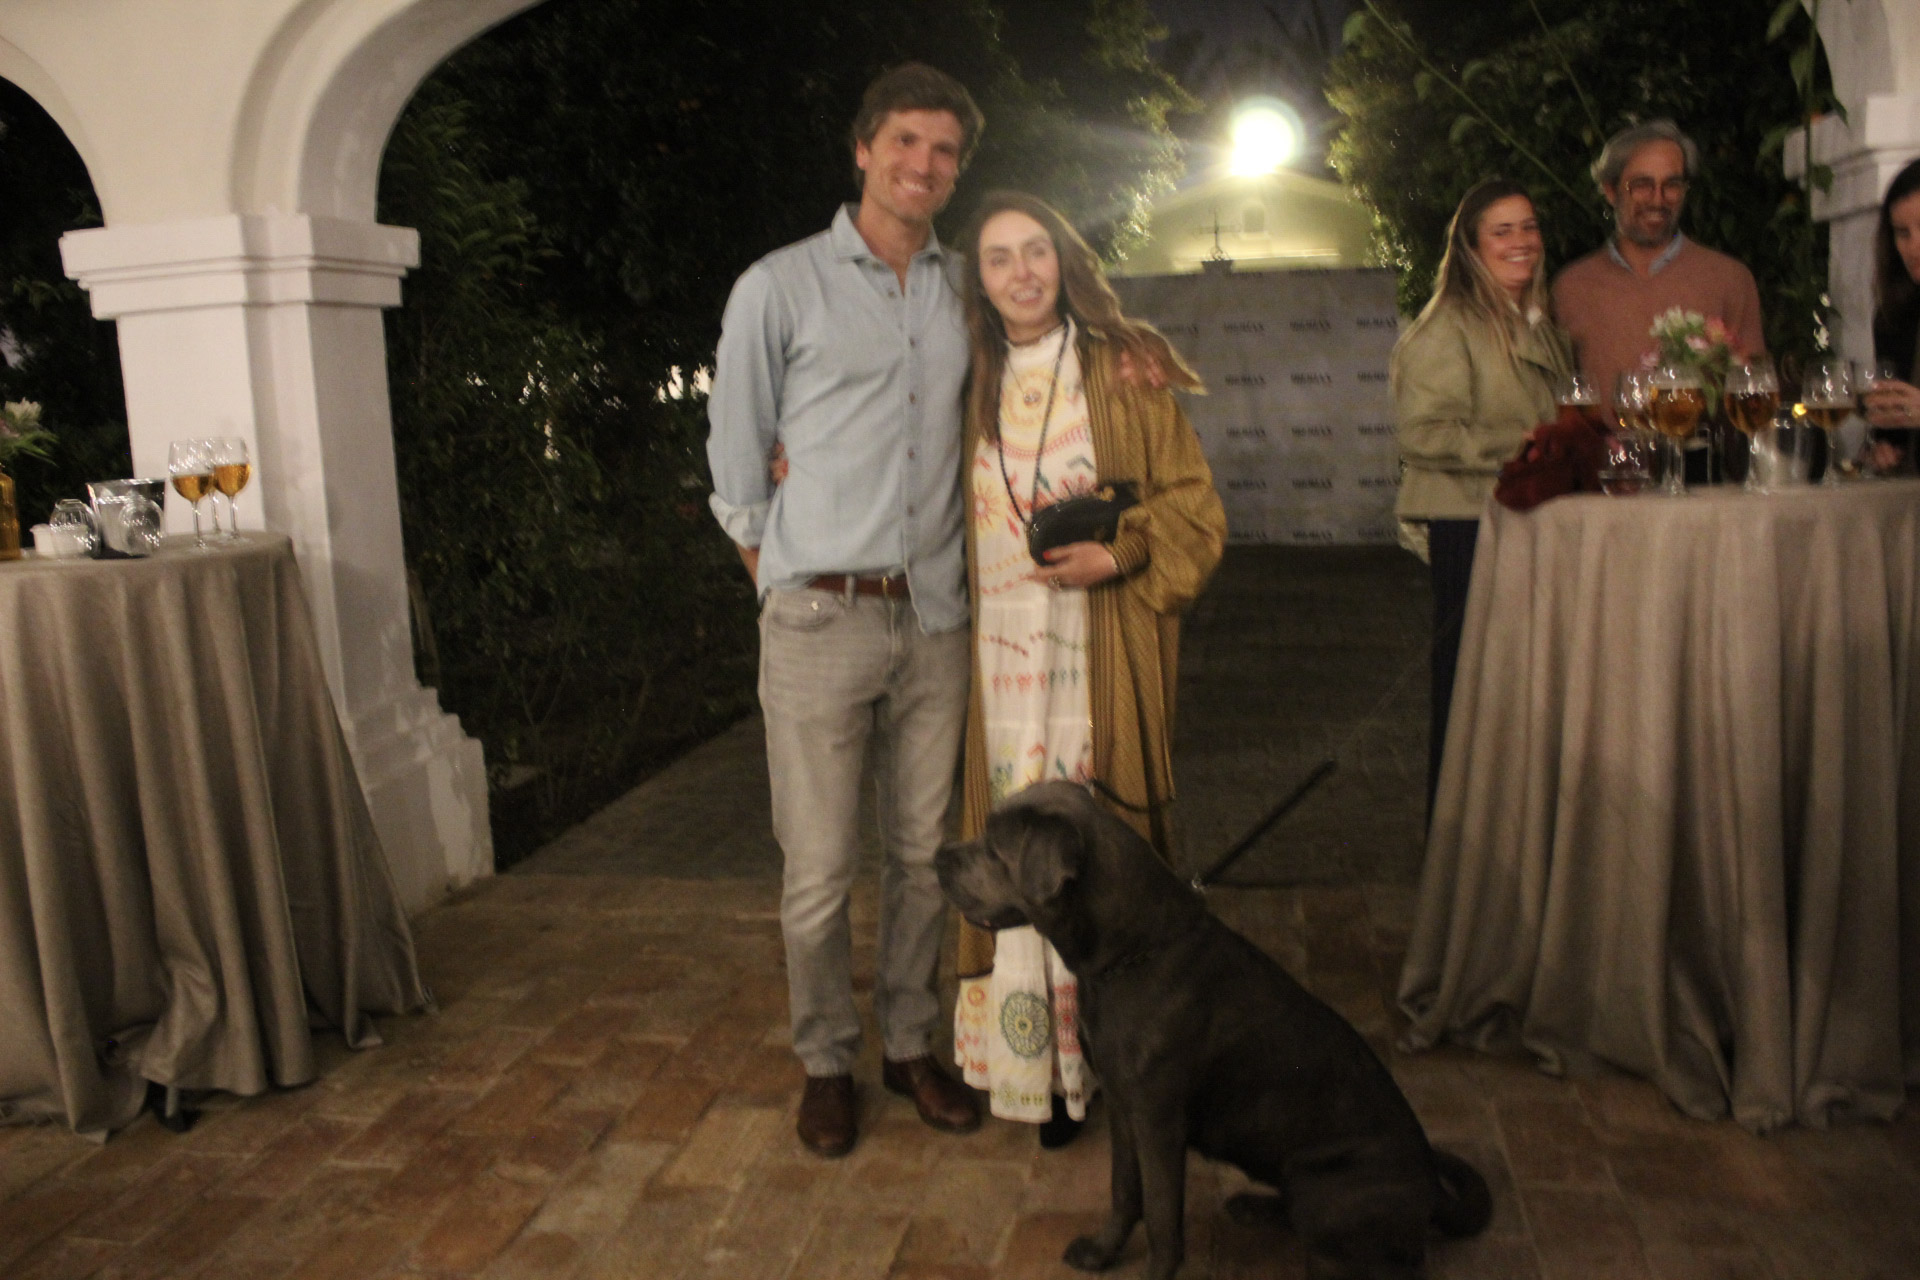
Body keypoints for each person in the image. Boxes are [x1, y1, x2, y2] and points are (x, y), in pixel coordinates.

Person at [705, 63, 984, 1159]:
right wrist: (779, 579)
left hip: (939, 616)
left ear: (958, 171)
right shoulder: (778, 286)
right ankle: (825, 1059)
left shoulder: (965, 290)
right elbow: (738, 457)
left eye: (944, 150)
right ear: (863, 149)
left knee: (923, 855)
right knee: (819, 868)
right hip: (819, 616)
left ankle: (911, 1045)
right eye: (905, 141)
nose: (924, 164)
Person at [949, 191, 1226, 1147]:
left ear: (1065, 260)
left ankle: (1112, 1060)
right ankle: (1038, 1072)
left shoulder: (1123, 364)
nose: (1021, 272)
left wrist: (1122, 552)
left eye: (1036, 250)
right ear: (979, 281)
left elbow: (1194, 504)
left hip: (1096, 650)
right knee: (1009, 846)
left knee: (1097, 847)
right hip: (999, 667)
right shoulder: (965, 377)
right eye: (998, 258)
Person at [1390, 179, 1571, 819]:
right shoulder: (1447, 328)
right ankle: (1459, 837)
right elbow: (1422, 434)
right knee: (1471, 694)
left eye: (1529, 226)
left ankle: (1514, 829)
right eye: (1503, 230)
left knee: (1522, 692)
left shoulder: (1538, 322)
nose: (1522, 241)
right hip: (1471, 527)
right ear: (1470, 246)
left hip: (1529, 522)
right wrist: (1525, 444)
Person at [1552, 120, 1766, 396]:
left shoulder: (1729, 280)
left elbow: (1754, 391)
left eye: (1671, 185)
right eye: (1642, 185)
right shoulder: (1571, 289)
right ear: (1611, 191)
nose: (1658, 199)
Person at [1864, 156, 1920, 473]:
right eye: (1902, 233)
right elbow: (1893, 428)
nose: (1914, 246)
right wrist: (1883, 448)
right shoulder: (1895, 315)